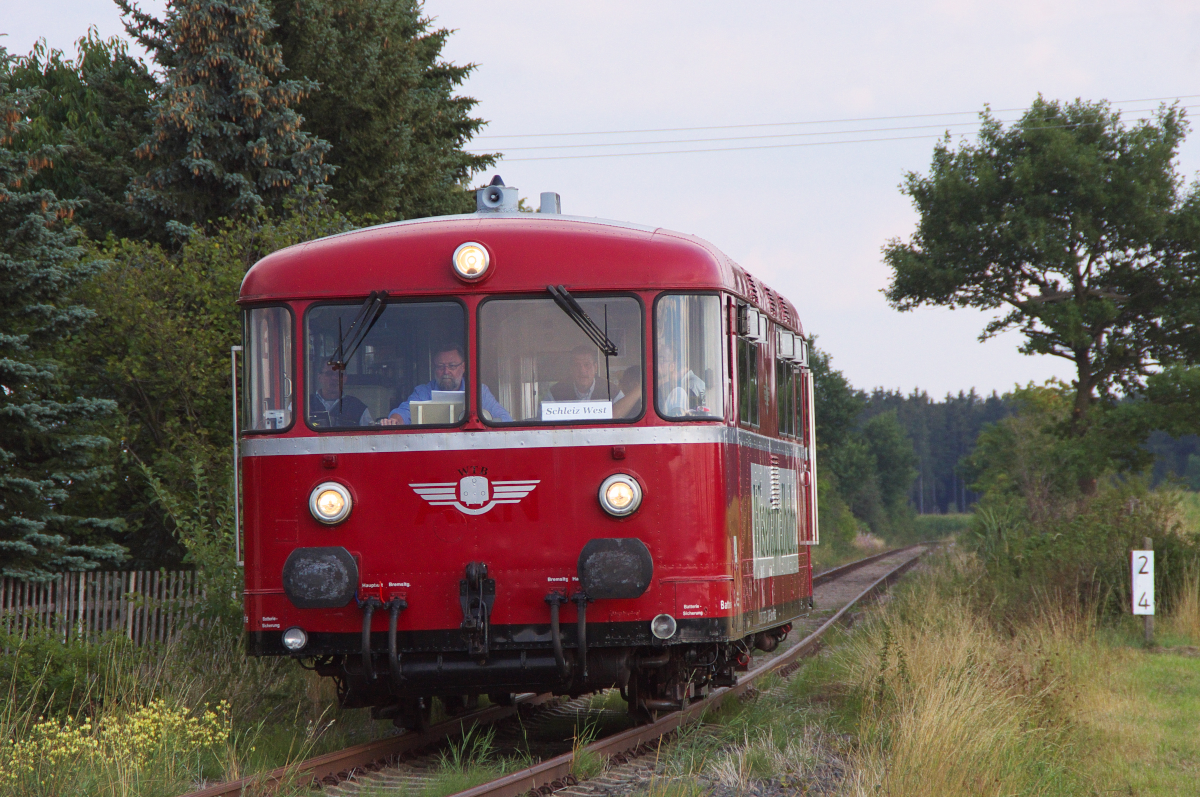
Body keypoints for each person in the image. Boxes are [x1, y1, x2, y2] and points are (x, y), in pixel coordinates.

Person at [381, 343, 511, 424]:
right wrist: (395, 420)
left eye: (452, 366)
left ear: (463, 367)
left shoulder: (479, 391)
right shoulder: (423, 392)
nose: (446, 371)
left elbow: (504, 418)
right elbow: (404, 412)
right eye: (440, 366)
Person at [546, 345, 641, 418]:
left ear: (595, 367)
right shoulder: (555, 393)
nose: (582, 370)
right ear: (571, 369)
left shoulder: (613, 392)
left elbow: (621, 417)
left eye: (587, 365)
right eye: (576, 365)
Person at [310, 361, 373, 426]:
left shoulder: (358, 407)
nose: (334, 378)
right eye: (329, 374)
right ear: (319, 377)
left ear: (345, 378)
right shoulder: (305, 404)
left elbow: (370, 434)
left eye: (339, 374)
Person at [658, 348, 709, 417]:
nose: (657, 363)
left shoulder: (678, 392)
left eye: (661, 360)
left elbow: (677, 421)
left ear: (672, 366)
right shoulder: (658, 389)